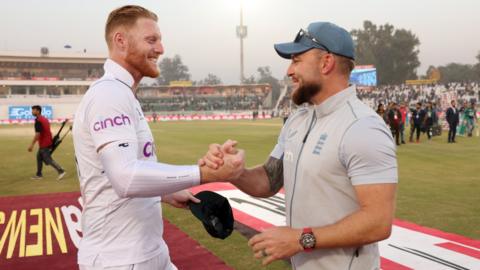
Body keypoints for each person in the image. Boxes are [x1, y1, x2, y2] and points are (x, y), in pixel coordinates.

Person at [202, 22, 397, 270]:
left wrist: (300, 239)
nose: (289, 71)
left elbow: (378, 222)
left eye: (296, 60)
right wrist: (235, 172)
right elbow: (269, 180)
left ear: (326, 63)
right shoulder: (298, 118)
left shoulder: (362, 127)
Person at [72, 5, 244, 270]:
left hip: (148, 253)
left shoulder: (123, 93)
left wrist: (169, 192)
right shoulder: (109, 95)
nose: (161, 49)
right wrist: (205, 173)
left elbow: (120, 173)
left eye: (160, 40)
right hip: (119, 259)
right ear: (121, 41)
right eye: (151, 40)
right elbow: (125, 178)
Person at [28, 105, 66, 180]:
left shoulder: (38, 121)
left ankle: (61, 171)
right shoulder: (44, 118)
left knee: (48, 159)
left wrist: (31, 145)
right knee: (39, 157)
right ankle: (39, 174)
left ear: (38, 111)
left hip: (44, 143)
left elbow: (37, 134)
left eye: (33, 110)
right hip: (47, 141)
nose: (32, 111)